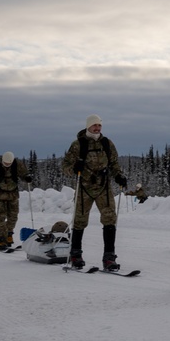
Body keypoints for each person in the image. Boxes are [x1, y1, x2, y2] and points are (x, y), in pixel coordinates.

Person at [61, 115, 127, 270]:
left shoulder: (107, 143)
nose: (97, 128)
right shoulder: (78, 144)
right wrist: (74, 168)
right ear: (88, 126)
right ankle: (76, 255)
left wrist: (118, 175)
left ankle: (109, 258)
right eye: (94, 125)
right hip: (84, 187)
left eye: (99, 125)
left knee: (110, 219)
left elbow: (114, 163)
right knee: (80, 220)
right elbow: (65, 166)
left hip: (104, 186)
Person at [0, 152, 31, 250]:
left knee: (13, 216)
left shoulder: (18, 165)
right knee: (1, 217)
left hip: (13, 194)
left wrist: (27, 178)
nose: (7, 165)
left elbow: (24, 174)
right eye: (5, 163)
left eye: (9, 164)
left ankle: (9, 233)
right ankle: (2, 239)